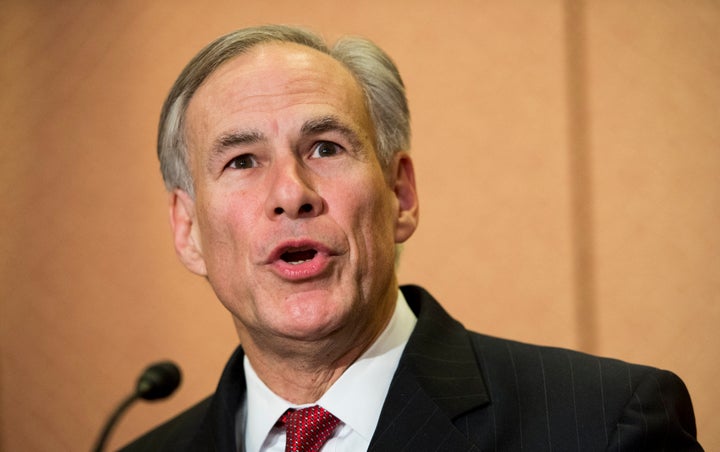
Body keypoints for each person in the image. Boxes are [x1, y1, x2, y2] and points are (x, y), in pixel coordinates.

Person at [121, 25, 701, 451]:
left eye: (326, 147)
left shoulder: (603, 424)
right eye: (243, 160)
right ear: (188, 229)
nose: (290, 193)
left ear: (400, 194)